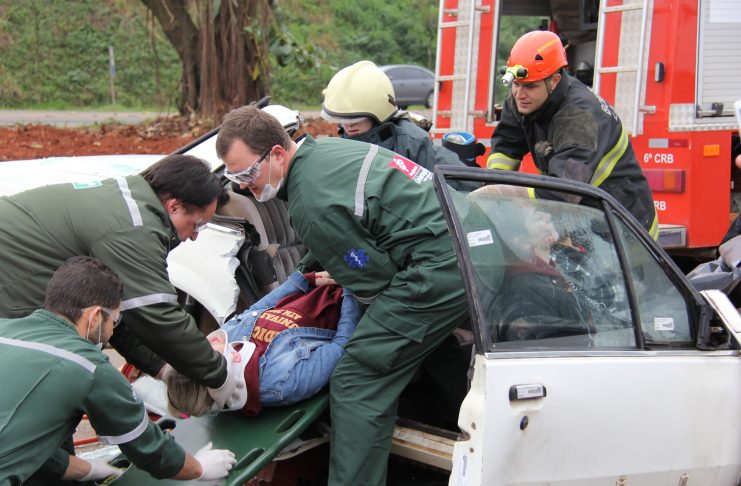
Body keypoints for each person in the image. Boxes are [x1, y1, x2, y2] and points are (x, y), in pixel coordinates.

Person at [214, 105, 470, 486]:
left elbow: (375, 285)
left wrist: (346, 326)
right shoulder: (324, 152)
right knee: (426, 341)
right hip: (465, 236)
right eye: (234, 178)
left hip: (440, 267)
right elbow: (343, 239)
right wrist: (306, 278)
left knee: (356, 377)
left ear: (277, 154)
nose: (243, 187)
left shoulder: (309, 204)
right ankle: (463, 423)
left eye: (248, 174)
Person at [0, 154, 230, 390]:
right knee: (36, 379)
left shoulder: (128, 199)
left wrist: (163, 369)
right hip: (11, 280)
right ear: (174, 206)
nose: (194, 236)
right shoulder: (134, 228)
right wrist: (222, 376)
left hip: (14, 265)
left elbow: (115, 315)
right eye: (198, 224)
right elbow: (155, 312)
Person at [0, 256, 236, 485]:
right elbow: (148, 448)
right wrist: (199, 468)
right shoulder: (89, 366)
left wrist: (86, 470)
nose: (113, 330)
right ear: (94, 317)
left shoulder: (5, 328)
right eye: (114, 320)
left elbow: (25, 442)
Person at [487, 30, 659, 240]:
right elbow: (506, 145)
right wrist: (493, 186)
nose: (519, 94)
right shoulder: (522, 99)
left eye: (530, 86)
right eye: (516, 84)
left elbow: (561, 191)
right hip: (580, 216)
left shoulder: (580, 118)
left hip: (624, 226)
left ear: (554, 81)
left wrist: (508, 198)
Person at [166, 271, 360, 416]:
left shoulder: (224, 344)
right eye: (209, 354)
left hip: (318, 286)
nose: (209, 340)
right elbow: (342, 343)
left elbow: (257, 309)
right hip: (349, 299)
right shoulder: (283, 383)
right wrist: (351, 289)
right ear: (219, 380)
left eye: (199, 347)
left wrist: (302, 280)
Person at [321, 60, 478, 178]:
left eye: (355, 119)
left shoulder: (411, 142)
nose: (348, 126)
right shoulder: (342, 145)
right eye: (342, 119)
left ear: (380, 112)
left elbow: (462, 182)